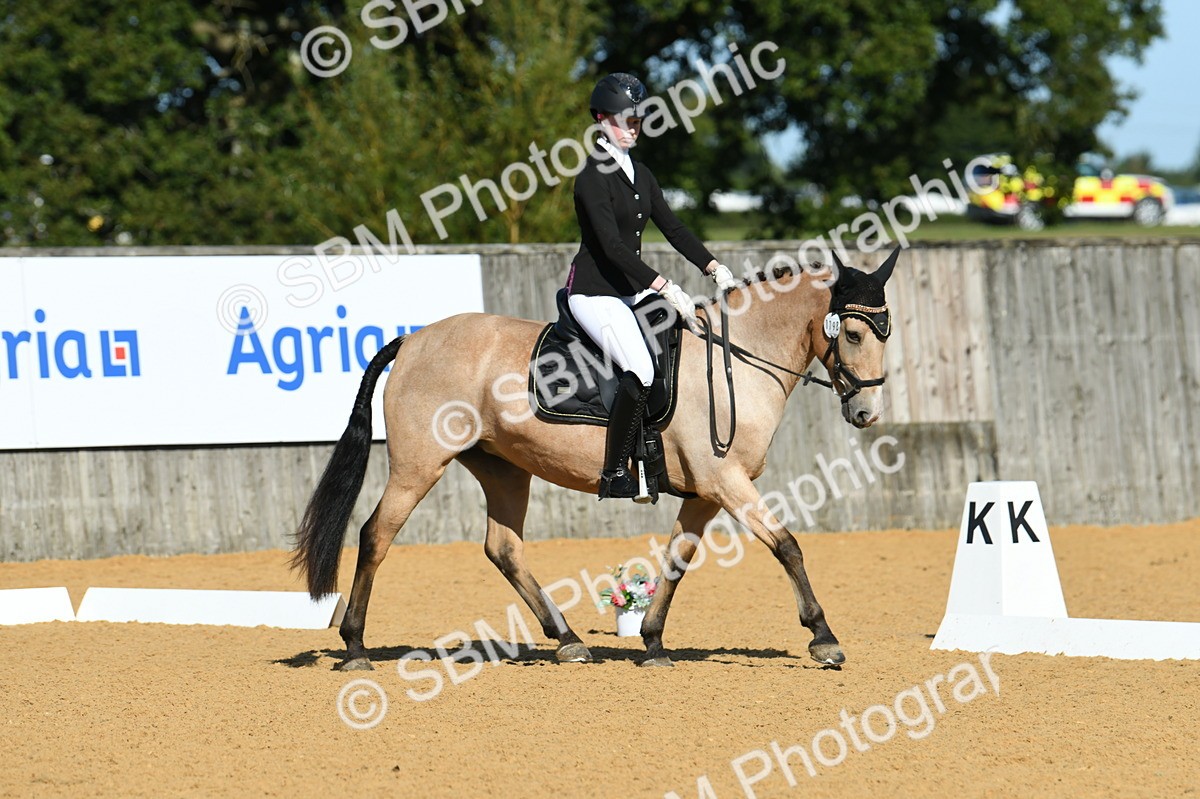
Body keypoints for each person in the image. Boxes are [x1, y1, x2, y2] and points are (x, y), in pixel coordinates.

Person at [566, 72, 738, 501]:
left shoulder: (641, 174)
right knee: (639, 369)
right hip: (594, 292)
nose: (633, 127)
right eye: (625, 120)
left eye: (638, 120)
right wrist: (663, 285)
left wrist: (712, 266)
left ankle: (655, 457)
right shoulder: (592, 176)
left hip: (630, 289)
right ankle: (613, 474)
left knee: (689, 338)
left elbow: (674, 228)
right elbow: (611, 246)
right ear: (602, 120)